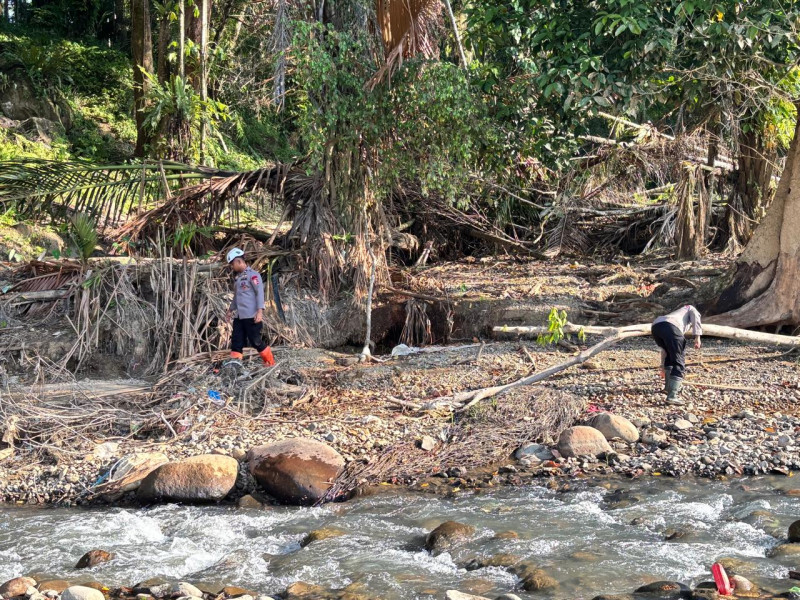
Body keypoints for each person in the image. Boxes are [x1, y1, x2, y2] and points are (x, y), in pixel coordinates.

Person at [224, 247, 275, 367]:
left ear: (239, 261)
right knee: (236, 340)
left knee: (255, 341)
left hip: (251, 315)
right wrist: (230, 310)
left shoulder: (253, 275)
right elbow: (236, 297)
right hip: (239, 316)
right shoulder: (238, 279)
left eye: (232, 264)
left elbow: (259, 293)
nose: (232, 267)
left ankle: (270, 362)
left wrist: (260, 312)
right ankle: (235, 364)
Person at [651, 305, 702, 405]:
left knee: (670, 356)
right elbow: (696, 318)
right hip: (671, 327)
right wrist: (697, 337)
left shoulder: (677, 314)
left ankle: (667, 388)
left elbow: (665, 351)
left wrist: (662, 366)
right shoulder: (690, 308)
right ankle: (672, 396)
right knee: (679, 362)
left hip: (656, 326)